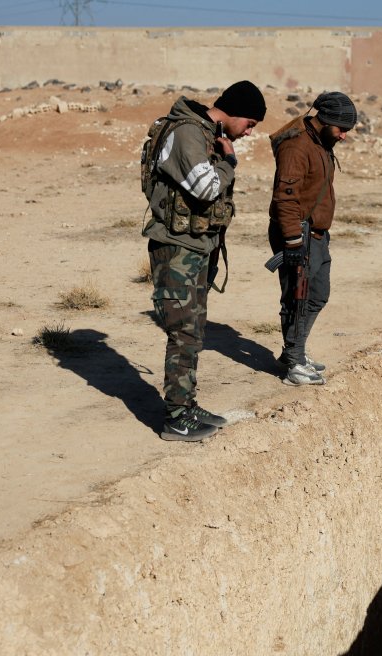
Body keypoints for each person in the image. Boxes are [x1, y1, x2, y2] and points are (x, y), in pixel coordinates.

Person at [142, 80, 266, 442]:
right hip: (177, 248)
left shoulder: (203, 131)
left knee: (193, 331)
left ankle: (186, 405)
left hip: (195, 247)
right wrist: (229, 162)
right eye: (251, 123)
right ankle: (176, 417)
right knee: (183, 331)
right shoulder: (187, 134)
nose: (249, 131)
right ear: (237, 111)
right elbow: (207, 188)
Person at [267, 91, 357, 386]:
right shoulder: (297, 147)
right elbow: (286, 197)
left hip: (317, 235)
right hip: (298, 235)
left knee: (317, 294)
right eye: (341, 129)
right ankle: (294, 365)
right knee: (298, 298)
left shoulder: (320, 142)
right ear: (326, 121)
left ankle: (296, 351)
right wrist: (292, 241)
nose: (344, 136)